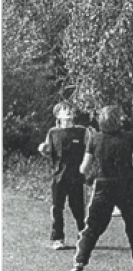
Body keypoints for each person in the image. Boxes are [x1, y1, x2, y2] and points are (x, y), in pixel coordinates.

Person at [66, 105, 133, 271]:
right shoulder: (129, 137)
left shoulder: (95, 139)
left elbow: (84, 168)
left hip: (103, 184)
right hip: (126, 183)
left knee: (92, 227)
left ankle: (79, 265)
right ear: (119, 120)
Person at [38, 101, 88, 250]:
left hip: (76, 176)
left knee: (78, 208)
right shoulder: (53, 132)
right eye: (64, 110)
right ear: (57, 115)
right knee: (57, 207)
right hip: (59, 176)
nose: (68, 112)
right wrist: (43, 149)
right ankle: (57, 238)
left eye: (70, 110)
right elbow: (48, 151)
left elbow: (90, 149)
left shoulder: (82, 131)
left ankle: (83, 237)